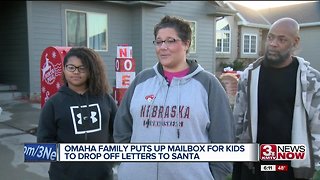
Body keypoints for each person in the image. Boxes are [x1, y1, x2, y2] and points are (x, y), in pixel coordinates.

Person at [113, 15, 235, 180]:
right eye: (159, 41)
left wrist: (214, 175)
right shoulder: (142, 81)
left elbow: (223, 138)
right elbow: (122, 129)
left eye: (170, 41)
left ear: (186, 44)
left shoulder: (208, 84)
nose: (163, 47)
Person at [232, 17, 320, 180]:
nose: (273, 43)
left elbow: (316, 128)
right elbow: (238, 119)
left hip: (289, 166)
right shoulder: (250, 75)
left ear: (295, 42)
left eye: (282, 39)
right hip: (253, 164)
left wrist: (311, 164)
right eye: (271, 37)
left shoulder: (312, 81)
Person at [37, 47, 117, 180]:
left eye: (82, 68)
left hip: (102, 174)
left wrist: (110, 160)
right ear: (64, 69)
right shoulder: (53, 103)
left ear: (91, 71)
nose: (75, 72)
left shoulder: (105, 99)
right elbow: (44, 143)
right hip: (64, 176)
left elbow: (117, 132)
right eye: (71, 67)